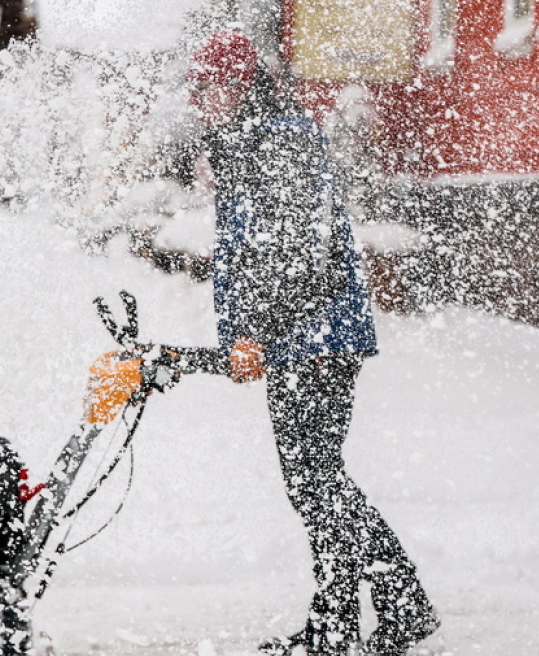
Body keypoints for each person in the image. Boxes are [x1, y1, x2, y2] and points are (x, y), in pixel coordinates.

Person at [186, 29, 439, 656]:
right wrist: (244, 332)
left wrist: (256, 334)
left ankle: (366, 616)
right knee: (318, 482)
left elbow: (299, 253)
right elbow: (249, 253)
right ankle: (367, 613)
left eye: (210, 88)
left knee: (315, 482)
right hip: (300, 335)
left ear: (240, 85)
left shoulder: (280, 142)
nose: (202, 101)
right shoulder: (247, 142)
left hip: (317, 336)